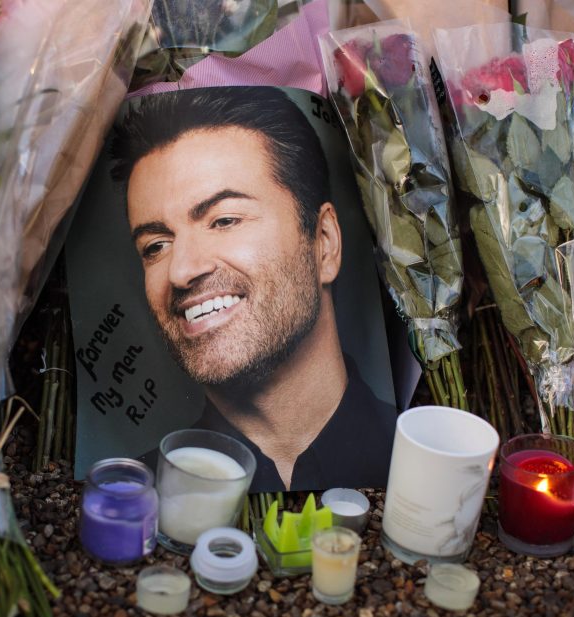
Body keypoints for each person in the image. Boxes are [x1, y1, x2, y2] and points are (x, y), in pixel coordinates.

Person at [110, 87, 396, 491]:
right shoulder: (131, 497)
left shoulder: (414, 460)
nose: (182, 271)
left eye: (224, 220)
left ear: (324, 242)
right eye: (156, 246)